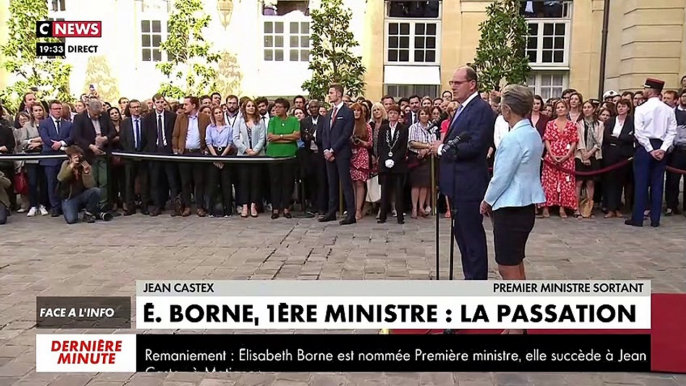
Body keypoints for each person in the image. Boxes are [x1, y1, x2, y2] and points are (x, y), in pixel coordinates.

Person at [481, 85, 545, 334]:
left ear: (508, 109)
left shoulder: (513, 138)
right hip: (524, 205)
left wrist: (486, 200)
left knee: (506, 265)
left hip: (511, 205)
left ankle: (518, 325)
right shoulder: (531, 133)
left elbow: (501, 176)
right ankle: (517, 320)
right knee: (516, 263)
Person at [431, 66, 494, 280]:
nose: (453, 87)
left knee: (471, 237)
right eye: (452, 83)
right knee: (462, 236)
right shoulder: (461, 107)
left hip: (469, 183)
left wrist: (442, 149)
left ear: (472, 84)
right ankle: (470, 279)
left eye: (458, 83)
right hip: (456, 183)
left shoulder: (481, 109)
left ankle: (477, 283)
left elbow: (476, 145)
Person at [626, 78, 677, 227]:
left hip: (645, 147)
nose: (644, 91)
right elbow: (671, 131)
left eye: (645, 88)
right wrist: (663, 148)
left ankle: (638, 217)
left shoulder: (642, 108)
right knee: (657, 183)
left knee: (641, 183)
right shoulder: (668, 109)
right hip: (661, 145)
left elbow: (639, 132)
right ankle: (655, 219)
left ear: (650, 90)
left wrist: (650, 149)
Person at [319, 83, 356, 225]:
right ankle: (331, 212)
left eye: (331, 92)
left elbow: (346, 134)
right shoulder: (329, 113)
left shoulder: (347, 112)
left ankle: (351, 214)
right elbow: (325, 133)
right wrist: (326, 150)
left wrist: (333, 149)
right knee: (332, 183)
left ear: (339, 94)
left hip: (341, 153)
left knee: (345, 183)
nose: (329, 95)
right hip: (329, 153)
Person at [172, 96, 211, 217]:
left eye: (186, 104)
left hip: (198, 153)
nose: (184, 107)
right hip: (185, 153)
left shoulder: (204, 118)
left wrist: (205, 149)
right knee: (185, 181)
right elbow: (175, 134)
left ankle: (200, 206)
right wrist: (176, 148)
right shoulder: (180, 117)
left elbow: (208, 133)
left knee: (199, 181)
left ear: (193, 105)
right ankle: (187, 206)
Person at [266, 98, 300, 219]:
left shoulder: (294, 120)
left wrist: (279, 137)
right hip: (274, 156)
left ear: (286, 108)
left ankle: (286, 207)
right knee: (275, 182)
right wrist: (286, 137)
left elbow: (296, 136)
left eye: (280, 107)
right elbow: (270, 136)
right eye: (276, 106)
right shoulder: (272, 121)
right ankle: (276, 208)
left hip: (289, 155)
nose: (277, 109)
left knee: (288, 182)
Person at [39, 100, 74, 217]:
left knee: (64, 182)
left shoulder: (68, 124)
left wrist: (61, 143)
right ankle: (55, 207)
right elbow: (44, 137)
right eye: (55, 109)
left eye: (60, 108)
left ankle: (65, 205)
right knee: (51, 183)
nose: (58, 111)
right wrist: (53, 144)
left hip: (64, 158)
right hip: (49, 158)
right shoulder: (44, 123)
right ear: (50, 111)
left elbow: (71, 137)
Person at [377, 105, 408, 224]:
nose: (393, 115)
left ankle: (400, 216)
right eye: (391, 113)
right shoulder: (383, 128)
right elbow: (380, 145)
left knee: (399, 191)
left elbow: (403, 147)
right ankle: (383, 216)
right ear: (388, 115)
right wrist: (385, 159)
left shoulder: (403, 129)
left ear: (398, 115)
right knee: (384, 191)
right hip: (385, 164)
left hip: (398, 164)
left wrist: (394, 159)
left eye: (395, 113)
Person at [56, 146, 102, 224]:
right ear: (70, 158)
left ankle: (88, 213)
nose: (77, 159)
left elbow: (90, 185)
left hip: (81, 195)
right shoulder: (66, 164)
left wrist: (87, 173)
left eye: (79, 156)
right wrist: (71, 166)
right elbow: (61, 178)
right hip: (69, 197)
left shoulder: (84, 165)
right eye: (75, 157)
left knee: (96, 191)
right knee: (71, 220)